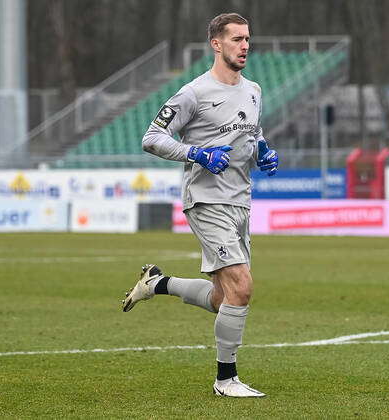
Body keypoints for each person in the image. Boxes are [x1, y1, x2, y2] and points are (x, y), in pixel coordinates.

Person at [121, 12, 278, 398]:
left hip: (240, 202)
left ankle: (157, 283)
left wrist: (264, 152)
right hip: (206, 200)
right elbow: (151, 137)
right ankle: (226, 380)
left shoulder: (254, 89)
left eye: (247, 39)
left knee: (223, 298)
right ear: (216, 44)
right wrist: (197, 154)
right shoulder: (194, 92)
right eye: (237, 39)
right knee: (242, 287)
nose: (245, 46)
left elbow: (252, 134)